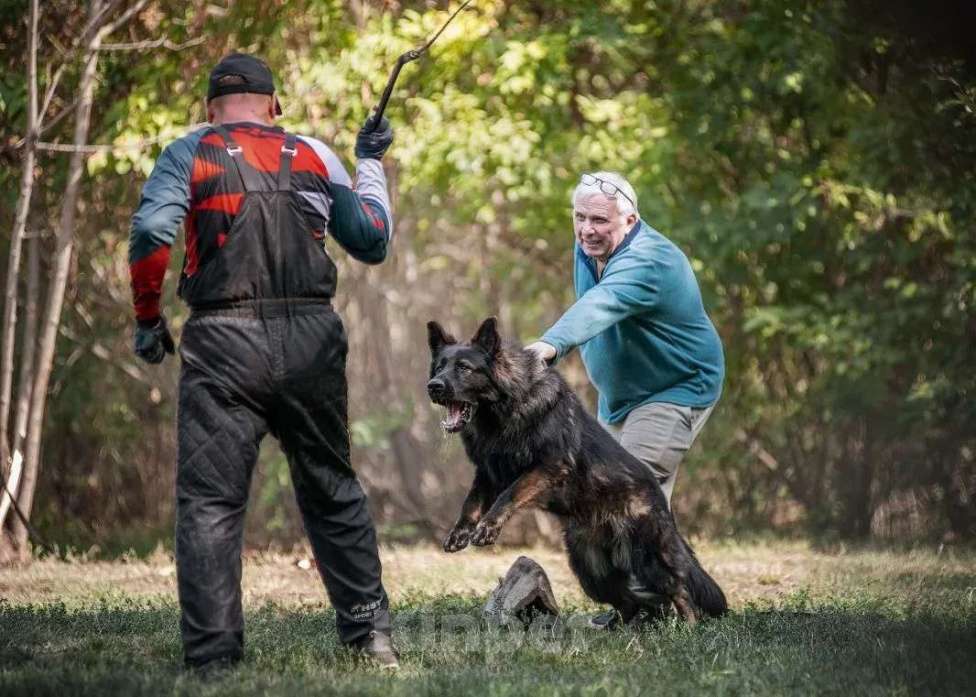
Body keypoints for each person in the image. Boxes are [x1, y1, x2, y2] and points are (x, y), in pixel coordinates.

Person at [128, 53, 398, 669]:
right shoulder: (313, 154)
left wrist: (148, 319)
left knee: (211, 503)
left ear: (208, 110)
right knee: (332, 486)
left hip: (222, 342)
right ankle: (370, 637)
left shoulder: (188, 153)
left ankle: (216, 659)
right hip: (311, 337)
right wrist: (372, 162)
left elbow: (150, 236)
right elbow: (373, 241)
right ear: (275, 106)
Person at [525, 171, 724, 628]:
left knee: (624, 495)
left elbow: (602, 304)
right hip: (619, 400)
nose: (587, 229)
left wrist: (549, 345)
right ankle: (670, 602)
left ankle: (656, 608)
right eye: (580, 218)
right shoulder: (590, 246)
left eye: (600, 219)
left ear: (630, 218)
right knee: (614, 500)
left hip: (676, 389)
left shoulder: (650, 259)